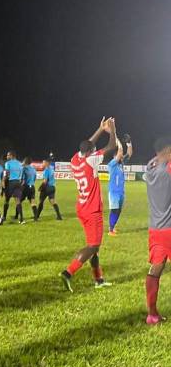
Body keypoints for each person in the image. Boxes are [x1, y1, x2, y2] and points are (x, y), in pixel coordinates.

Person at [60, 117, 117, 292]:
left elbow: (88, 145)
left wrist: (100, 129)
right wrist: (112, 130)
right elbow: (111, 147)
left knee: (94, 247)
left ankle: (98, 280)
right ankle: (68, 273)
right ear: (91, 152)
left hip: (82, 208)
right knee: (93, 246)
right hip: (92, 211)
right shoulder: (91, 161)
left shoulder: (75, 159)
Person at [143, 137, 171, 325]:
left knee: (156, 269)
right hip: (170, 228)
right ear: (167, 150)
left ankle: (152, 314)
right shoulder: (168, 170)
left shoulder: (149, 169)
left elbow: (153, 162)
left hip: (155, 228)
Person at [107, 134, 133, 236]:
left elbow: (129, 153)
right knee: (114, 210)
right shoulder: (112, 164)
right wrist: (116, 139)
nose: (122, 156)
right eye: (119, 155)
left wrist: (129, 143)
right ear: (115, 157)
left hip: (121, 192)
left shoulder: (121, 164)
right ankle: (110, 230)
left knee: (119, 211)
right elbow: (120, 152)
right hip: (114, 192)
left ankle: (113, 227)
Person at [0, 150, 24, 225]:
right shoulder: (20, 164)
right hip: (18, 182)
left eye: (8, 155)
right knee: (18, 201)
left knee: (6, 200)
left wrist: (3, 181)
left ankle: (4, 217)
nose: (7, 157)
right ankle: (21, 219)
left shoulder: (8, 163)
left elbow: (6, 172)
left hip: (10, 183)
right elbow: (21, 176)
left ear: (12, 156)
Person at [20, 157, 38, 221]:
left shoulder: (24, 169)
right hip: (32, 186)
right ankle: (36, 217)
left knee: (18, 201)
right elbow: (35, 178)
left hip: (26, 187)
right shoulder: (33, 169)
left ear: (25, 161)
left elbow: (22, 180)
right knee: (32, 202)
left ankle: (18, 216)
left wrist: (20, 186)